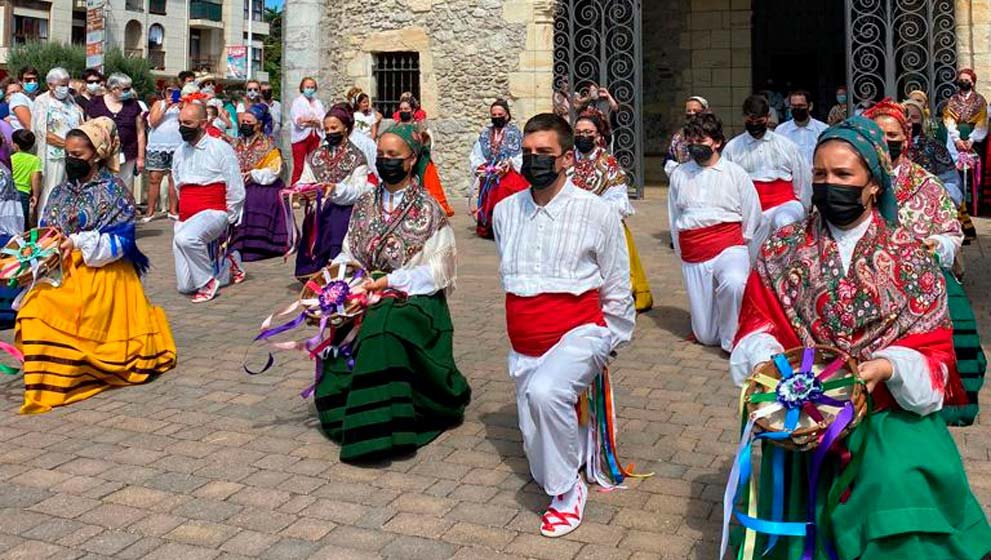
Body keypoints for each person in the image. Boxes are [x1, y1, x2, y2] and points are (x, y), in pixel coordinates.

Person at [728, 116, 991, 560]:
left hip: (889, 408)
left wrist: (885, 368)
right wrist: (785, 380)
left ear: (873, 184)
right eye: (820, 174)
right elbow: (758, 325)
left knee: (894, 479)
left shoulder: (911, 254)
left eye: (843, 175)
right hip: (807, 416)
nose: (830, 184)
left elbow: (934, 350)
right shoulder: (780, 249)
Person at [493, 113, 635, 538]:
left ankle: (568, 491)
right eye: (528, 153)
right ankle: (562, 464)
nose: (534, 161)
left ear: (567, 158)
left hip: (581, 333)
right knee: (538, 458)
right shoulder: (504, 212)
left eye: (544, 154)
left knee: (547, 391)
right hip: (525, 348)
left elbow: (616, 283)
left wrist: (609, 341)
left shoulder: (597, 213)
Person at [314, 125, 471, 463]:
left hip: (414, 295)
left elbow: (439, 272)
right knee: (345, 323)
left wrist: (389, 283)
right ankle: (356, 413)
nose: (385, 162)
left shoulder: (430, 208)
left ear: (412, 160)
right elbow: (349, 251)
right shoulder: (365, 201)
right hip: (365, 286)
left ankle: (384, 429)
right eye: (381, 155)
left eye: (393, 156)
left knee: (384, 327)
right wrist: (334, 278)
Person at [18, 117, 175, 414]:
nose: (71, 160)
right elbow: (46, 230)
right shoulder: (60, 191)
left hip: (103, 272)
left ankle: (67, 375)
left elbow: (121, 243)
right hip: (60, 269)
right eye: (68, 153)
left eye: (78, 155)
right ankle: (47, 379)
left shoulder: (115, 191)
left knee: (60, 315)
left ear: (99, 153)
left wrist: (77, 243)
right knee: (34, 310)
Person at [867, 98, 986, 426]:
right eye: (878, 134)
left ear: (905, 139)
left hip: (919, 277)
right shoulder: (853, 180)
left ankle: (942, 398)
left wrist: (937, 244)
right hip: (863, 279)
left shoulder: (926, 184)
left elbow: (951, 234)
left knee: (955, 310)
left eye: (893, 134)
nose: (887, 140)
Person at [668, 112, 760, 352]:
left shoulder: (735, 173)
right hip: (693, 252)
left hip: (729, 245)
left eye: (702, 141)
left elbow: (752, 211)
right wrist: (681, 251)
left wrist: (742, 242)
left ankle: (732, 342)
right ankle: (716, 326)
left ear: (717, 142)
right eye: (692, 142)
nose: (696, 147)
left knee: (734, 283)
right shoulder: (680, 174)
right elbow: (674, 217)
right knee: (706, 335)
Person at [569, 111, 653, 312]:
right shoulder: (566, 159)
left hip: (603, 224)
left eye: (588, 132)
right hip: (569, 224)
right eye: (578, 132)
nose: (583, 136)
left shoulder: (609, 163)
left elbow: (618, 199)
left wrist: (595, 212)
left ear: (598, 135)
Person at [171, 103, 246, 303]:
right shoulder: (179, 152)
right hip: (187, 214)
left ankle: (208, 282)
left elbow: (235, 186)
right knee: (185, 286)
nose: (182, 127)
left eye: (188, 123)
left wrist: (229, 218)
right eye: (180, 122)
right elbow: (178, 183)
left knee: (186, 239)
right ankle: (227, 265)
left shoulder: (220, 148)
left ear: (203, 123)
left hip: (213, 210)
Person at [293, 104, 372, 279]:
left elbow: (359, 190)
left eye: (334, 128)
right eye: (327, 129)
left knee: (336, 220)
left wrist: (336, 189)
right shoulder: (316, 155)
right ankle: (314, 270)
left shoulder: (357, 157)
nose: (330, 132)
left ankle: (337, 267)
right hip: (318, 208)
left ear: (346, 128)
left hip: (344, 209)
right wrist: (302, 191)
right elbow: (305, 179)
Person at [722, 94, 810, 250]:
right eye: (750, 121)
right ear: (743, 118)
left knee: (785, 221)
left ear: (768, 117)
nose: (755, 125)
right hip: (750, 210)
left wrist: (806, 209)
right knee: (751, 256)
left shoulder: (786, 145)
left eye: (759, 121)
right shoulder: (732, 148)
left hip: (785, 203)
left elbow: (802, 180)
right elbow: (727, 185)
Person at [231, 103, 289, 262]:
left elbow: (274, 170)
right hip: (237, 181)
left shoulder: (269, 145)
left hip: (260, 183)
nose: (245, 125)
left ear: (259, 125)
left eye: (250, 123)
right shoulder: (235, 143)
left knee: (255, 198)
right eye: (244, 122)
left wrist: (253, 174)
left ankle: (257, 244)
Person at [469, 99, 528, 238]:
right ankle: (489, 227)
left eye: (499, 114)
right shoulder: (485, 133)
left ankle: (508, 227)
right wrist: (480, 167)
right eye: (493, 114)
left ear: (507, 115)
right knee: (488, 191)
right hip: (490, 172)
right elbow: (477, 153)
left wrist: (509, 163)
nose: (497, 117)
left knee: (504, 190)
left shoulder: (515, 133)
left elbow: (520, 154)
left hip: (508, 173)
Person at [30, 67, 85, 214]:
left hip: (73, 155)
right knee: (52, 190)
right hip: (53, 155)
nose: (65, 88)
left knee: (69, 193)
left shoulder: (71, 101)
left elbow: (80, 123)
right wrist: (67, 145)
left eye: (67, 84)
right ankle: (46, 225)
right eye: (61, 85)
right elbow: (42, 132)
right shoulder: (42, 101)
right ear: (50, 85)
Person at [85, 73, 145, 196]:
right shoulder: (95, 103)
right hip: (102, 155)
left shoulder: (133, 104)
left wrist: (141, 158)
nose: (129, 91)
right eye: (126, 89)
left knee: (124, 188)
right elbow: (88, 130)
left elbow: (140, 132)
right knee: (101, 188)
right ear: (114, 89)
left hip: (127, 154)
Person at [943, 69, 988, 214]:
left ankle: (974, 204)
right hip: (956, 139)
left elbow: (982, 120)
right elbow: (948, 119)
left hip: (974, 139)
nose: (963, 82)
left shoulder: (980, 100)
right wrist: (956, 138)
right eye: (961, 79)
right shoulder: (952, 100)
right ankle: (959, 203)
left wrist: (972, 139)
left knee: (974, 172)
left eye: (966, 80)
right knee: (957, 170)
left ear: (973, 82)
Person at [146, 81, 184, 222]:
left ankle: (173, 210)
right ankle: (150, 212)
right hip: (158, 145)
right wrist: (166, 107)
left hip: (178, 145)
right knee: (154, 178)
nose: (172, 94)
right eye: (169, 90)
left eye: (175, 91)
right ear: (164, 91)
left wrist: (181, 107)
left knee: (174, 178)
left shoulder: (183, 105)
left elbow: (186, 121)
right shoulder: (158, 104)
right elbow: (153, 122)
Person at [774, 90, 829, 165]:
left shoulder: (823, 129)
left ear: (810, 106)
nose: (797, 109)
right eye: (794, 106)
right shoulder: (780, 131)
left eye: (801, 106)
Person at [289, 77, 325, 185]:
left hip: (315, 135)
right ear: (302, 88)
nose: (310, 89)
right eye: (307, 87)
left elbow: (322, 119)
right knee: (299, 165)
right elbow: (298, 120)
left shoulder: (318, 102)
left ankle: (311, 187)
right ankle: (294, 189)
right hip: (300, 137)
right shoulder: (297, 102)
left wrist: (313, 121)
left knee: (313, 164)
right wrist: (312, 121)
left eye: (312, 87)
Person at [663, 95, 708, 178]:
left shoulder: (711, 133)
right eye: (689, 111)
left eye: (695, 110)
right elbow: (669, 159)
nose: (692, 113)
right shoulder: (679, 136)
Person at [11, 130, 41, 228]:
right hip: (23, 194)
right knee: (22, 224)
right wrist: (36, 196)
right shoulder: (35, 160)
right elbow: (35, 180)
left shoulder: (10, 158)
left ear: (15, 145)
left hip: (9, 193)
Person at [9, 66, 39, 131]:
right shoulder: (18, 98)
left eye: (35, 79)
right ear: (20, 81)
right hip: (25, 139)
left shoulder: (36, 98)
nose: (32, 82)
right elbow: (30, 126)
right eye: (28, 80)